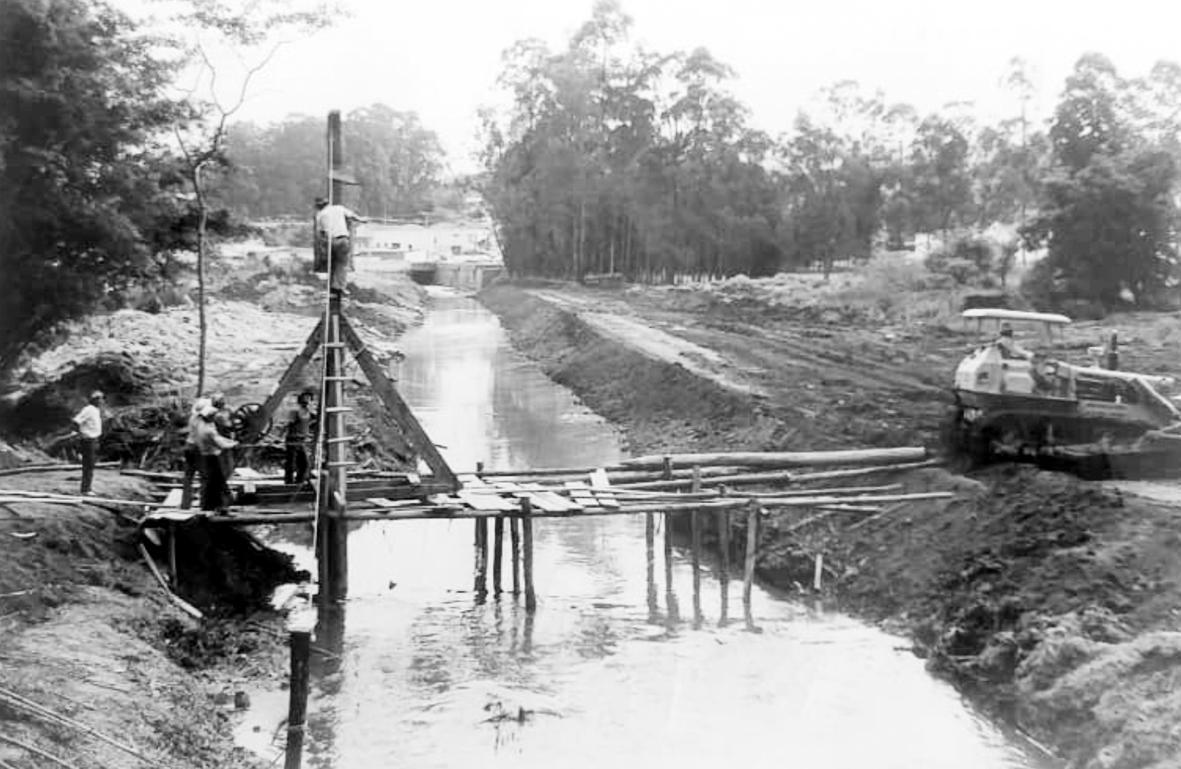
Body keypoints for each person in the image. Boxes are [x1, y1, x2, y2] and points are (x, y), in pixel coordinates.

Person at [314, 196, 367, 296]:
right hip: (342, 240)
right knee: (342, 265)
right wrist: (362, 220)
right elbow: (352, 216)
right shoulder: (339, 208)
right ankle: (339, 288)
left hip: (330, 241)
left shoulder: (320, 215)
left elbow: (321, 233)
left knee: (332, 264)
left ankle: (332, 287)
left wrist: (323, 246)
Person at [194, 404, 238, 513]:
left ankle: (208, 505)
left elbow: (219, 438)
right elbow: (220, 444)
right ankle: (219, 506)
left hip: (205, 457)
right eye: (213, 416)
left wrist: (230, 441)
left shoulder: (201, 425)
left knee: (211, 482)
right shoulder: (208, 430)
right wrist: (233, 444)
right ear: (209, 416)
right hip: (212, 458)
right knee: (216, 482)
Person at [179, 397, 211, 510]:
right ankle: (204, 505)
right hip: (198, 449)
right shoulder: (203, 421)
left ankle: (185, 504)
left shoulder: (192, 418)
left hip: (188, 447)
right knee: (205, 477)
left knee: (188, 477)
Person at [71, 390, 104, 496]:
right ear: (93, 400)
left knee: (91, 464)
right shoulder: (88, 410)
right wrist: (78, 434)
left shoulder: (96, 410)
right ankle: (85, 489)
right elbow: (76, 421)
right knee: (88, 465)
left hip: (94, 439)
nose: (101, 401)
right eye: (98, 399)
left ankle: (87, 487)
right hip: (88, 440)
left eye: (101, 398)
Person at [284, 390, 316, 485]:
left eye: (309, 399)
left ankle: (299, 481)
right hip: (293, 439)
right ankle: (289, 482)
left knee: (304, 464)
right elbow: (289, 423)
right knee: (291, 463)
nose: (307, 401)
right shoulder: (295, 411)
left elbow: (314, 420)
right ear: (300, 400)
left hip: (302, 440)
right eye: (305, 398)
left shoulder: (309, 412)